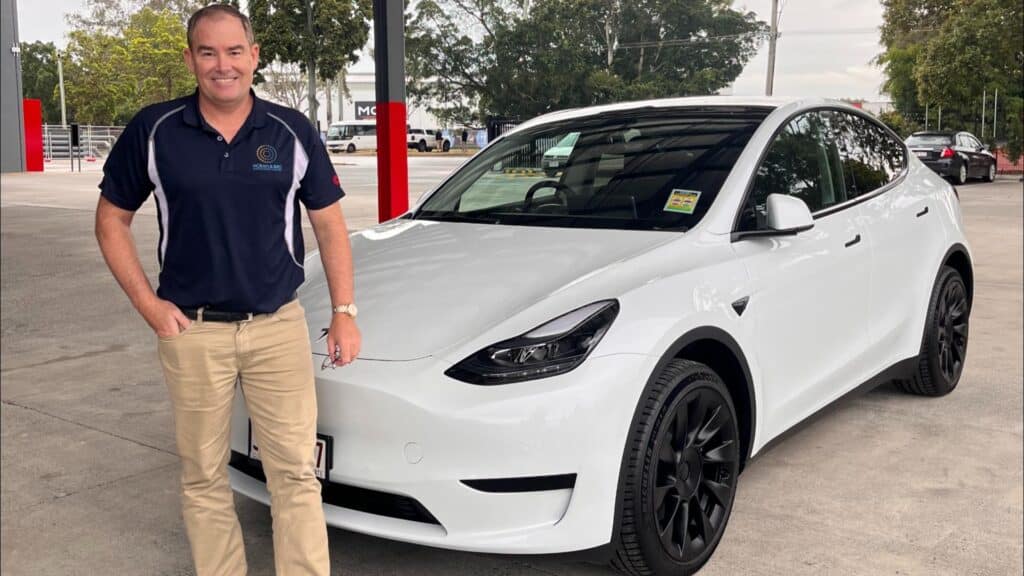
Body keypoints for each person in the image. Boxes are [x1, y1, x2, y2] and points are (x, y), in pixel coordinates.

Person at [94, 4, 360, 575]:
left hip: (277, 327)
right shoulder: (156, 129)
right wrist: (148, 304)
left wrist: (343, 310)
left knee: (293, 474)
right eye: (208, 52)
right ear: (190, 59)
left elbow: (330, 223)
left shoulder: (289, 130)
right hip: (192, 332)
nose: (223, 65)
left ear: (254, 56)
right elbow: (110, 219)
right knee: (203, 477)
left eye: (234, 51)